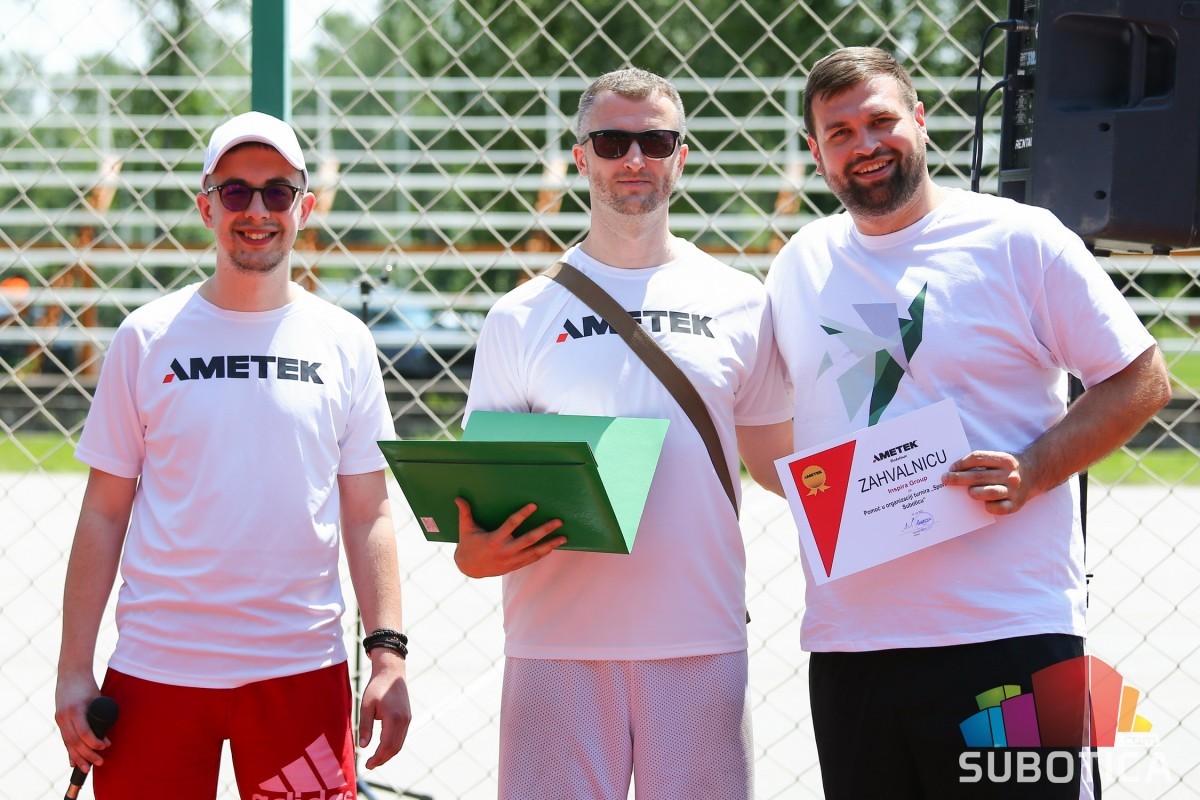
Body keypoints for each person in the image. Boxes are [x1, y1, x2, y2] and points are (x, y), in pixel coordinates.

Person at [765, 46, 1172, 799]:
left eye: (881, 121)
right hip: (852, 644)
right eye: (840, 132)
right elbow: (776, 424)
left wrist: (1034, 470)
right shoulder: (801, 262)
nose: (865, 144)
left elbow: (1141, 380)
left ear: (919, 121)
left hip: (1007, 633)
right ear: (816, 152)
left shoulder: (1019, 238)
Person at [454, 68, 793, 799]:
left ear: (681, 156)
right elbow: (480, 501)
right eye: (611, 142)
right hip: (556, 644)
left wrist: (901, 487)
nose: (634, 159)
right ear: (581, 158)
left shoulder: (742, 300)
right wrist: (473, 552)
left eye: (655, 142)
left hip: (699, 638)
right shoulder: (519, 315)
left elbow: (782, 464)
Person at [54, 111, 412, 799]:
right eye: (236, 191)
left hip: (300, 673)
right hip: (157, 671)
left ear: (305, 207)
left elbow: (369, 511)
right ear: (207, 207)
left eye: (277, 191)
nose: (257, 211)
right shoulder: (146, 337)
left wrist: (388, 654)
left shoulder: (344, 341)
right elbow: (103, 512)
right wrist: (74, 668)